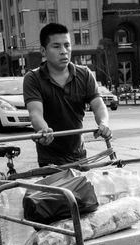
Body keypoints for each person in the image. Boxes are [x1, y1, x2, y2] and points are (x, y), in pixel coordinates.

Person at [23, 23, 112, 166]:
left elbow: (99, 106)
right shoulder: (33, 78)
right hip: (50, 159)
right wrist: (43, 129)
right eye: (56, 46)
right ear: (43, 51)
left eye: (67, 45)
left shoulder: (84, 74)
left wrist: (103, 123)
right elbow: (35, 114)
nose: (64, 51)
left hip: (80, 155)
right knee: (60, 189)